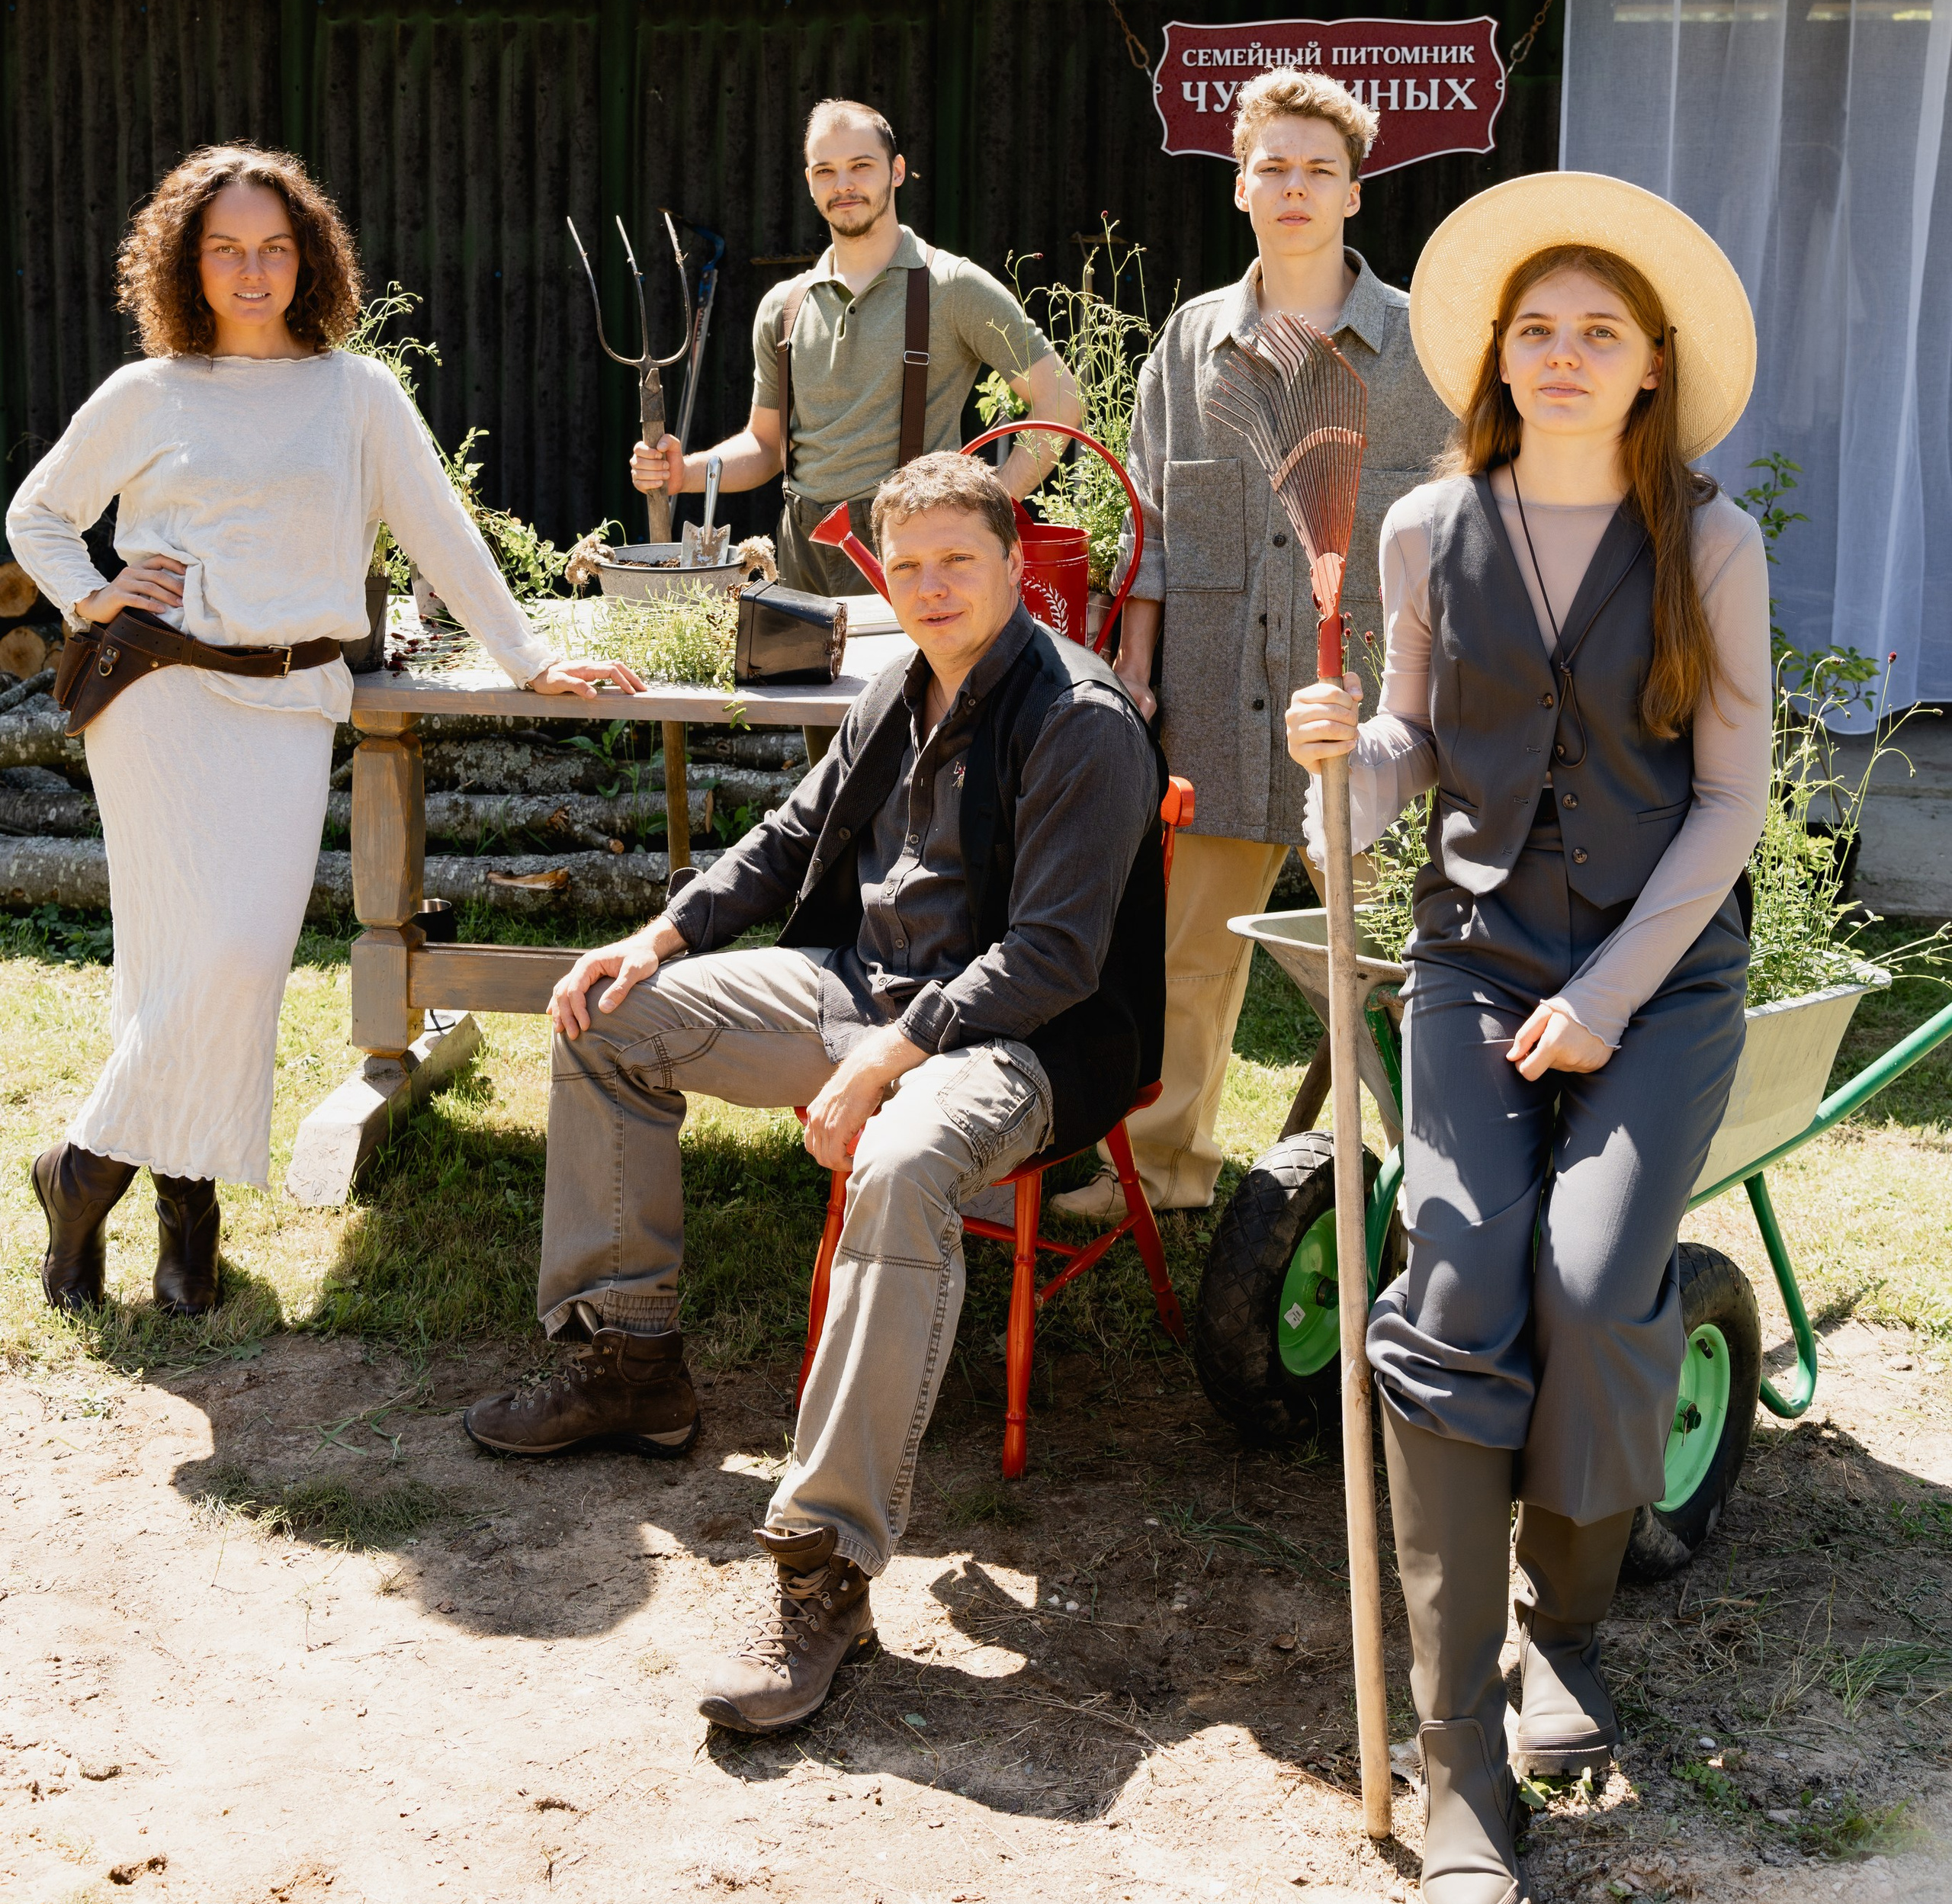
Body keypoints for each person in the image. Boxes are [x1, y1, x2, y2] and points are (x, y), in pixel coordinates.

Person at [462, 451, 1163, 1737]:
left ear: (1016, 566)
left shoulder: (1084, 721)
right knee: (611, 1021)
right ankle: (629, 1365)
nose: (934, 586)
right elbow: (792, 833)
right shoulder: (900, 682)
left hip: (1028, 1036)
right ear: (881, 580)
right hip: (867, 990)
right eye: (908, 567)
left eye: (960, 559)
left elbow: (1055, 957)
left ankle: (824, 1567)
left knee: (900, 1167)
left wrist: (893, 1060)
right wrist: (659, 938)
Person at [1286, 172, 1771, 1904]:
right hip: (1474, 957)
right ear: (1494, 353)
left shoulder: (1708, 542)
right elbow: (1411, 738)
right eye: (1534, 327)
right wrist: (1345, 764)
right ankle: (1453, 1763)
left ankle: (1558, 1614)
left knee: (1585, 1277)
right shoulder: (1421, 525)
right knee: (1453, 1280)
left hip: (1660, 973)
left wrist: (1616, 989)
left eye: (1598, 331)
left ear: (1649, 368)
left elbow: (1727, 800)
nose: (1560, 355)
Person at [7, 145, 637, 1321]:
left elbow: (442, 533)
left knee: (233, 960)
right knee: (188, 960)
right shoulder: (150, 392)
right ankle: (185, 1210)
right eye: (226, 249)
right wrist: (92, 591)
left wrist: (537, 658)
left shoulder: (359, 395)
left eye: (275, 247)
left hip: (293, 704)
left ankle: (85, 1168)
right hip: (163, 703)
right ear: (188, 262)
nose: (253, 271)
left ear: (311, 258)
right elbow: (37, 514)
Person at [1061, 66, 1450, 1222]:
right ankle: (1168, 1162)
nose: (1293, 187)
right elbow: (1153, 529)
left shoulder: (1425, 352)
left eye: (1317, 169)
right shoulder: (1188, 347)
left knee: (1393, 962)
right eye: (1272, 167)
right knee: (1189, 952)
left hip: (1371, 716)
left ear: (1353, 193)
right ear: (1240, 187)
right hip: (1212, 698)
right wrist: (1133, 672)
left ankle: (1435, 1178)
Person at [630, 96, 1084, 602]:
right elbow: (766, 445)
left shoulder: (952, 287)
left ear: (896, 171)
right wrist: (684, 471)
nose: (843, 185)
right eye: (826, 171)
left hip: (909, 548)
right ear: (810, 183)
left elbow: (1061, 400)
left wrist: (991, 502)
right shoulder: (784, 306)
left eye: (861, 166)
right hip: (799, 548)